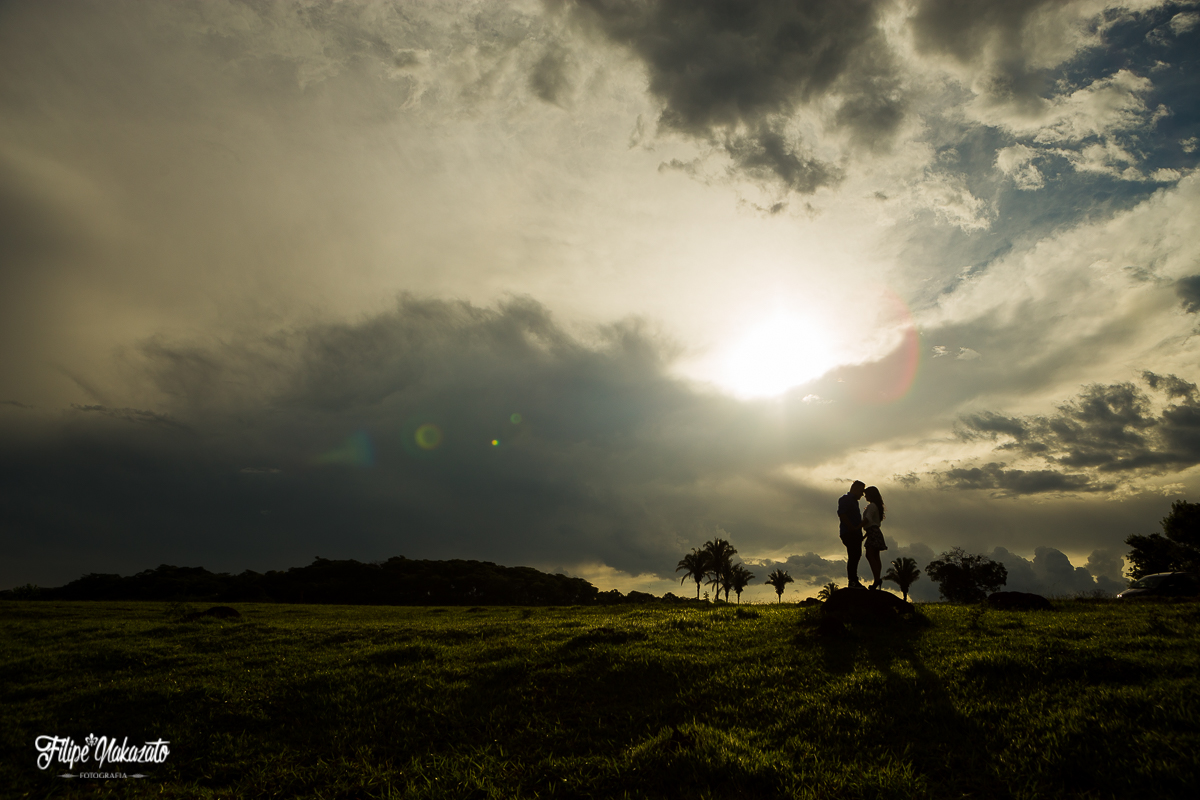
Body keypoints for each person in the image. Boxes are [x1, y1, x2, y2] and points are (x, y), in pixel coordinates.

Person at [837, 480, 866, 588]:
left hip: (855, 533)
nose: (862, 494)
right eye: (861, 491)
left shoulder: (854, 501)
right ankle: (852, 581)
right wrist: (851, 527)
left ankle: (853, 580)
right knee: (854, 555)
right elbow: (842, 514)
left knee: (856, 555)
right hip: (849, 533)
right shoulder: (845, 499)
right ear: (855, 489)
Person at [862, 485, 888, 590]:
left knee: (870, 555)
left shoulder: (872, 506)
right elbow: (873, 523)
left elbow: (868, 520)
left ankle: (877, 579)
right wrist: (864, 536)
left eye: (866, 494)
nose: (865, 496)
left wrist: (857, 527)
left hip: (873, 532)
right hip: (874, 532)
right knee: (875, 556)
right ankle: (877, 579)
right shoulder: (876, 506)